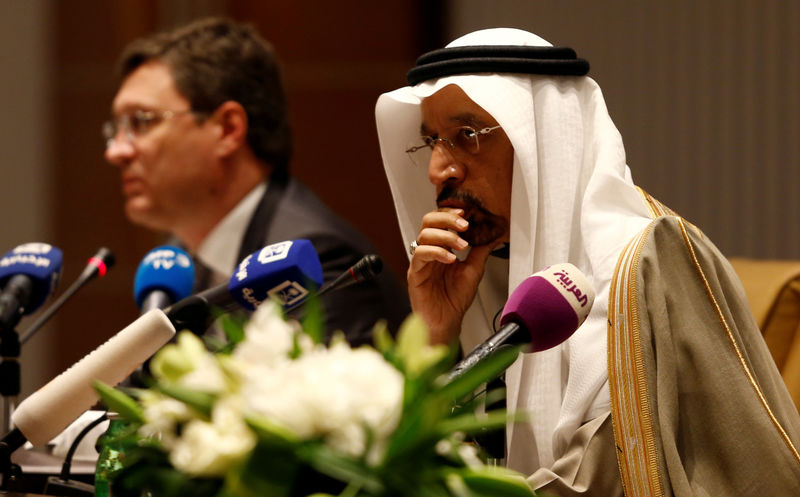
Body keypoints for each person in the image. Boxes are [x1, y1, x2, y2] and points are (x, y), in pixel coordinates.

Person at [376, 28, 800, 495]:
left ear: (543, 140)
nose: (440, 169)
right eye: (432, 141)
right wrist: (436, 336)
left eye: (467, 136)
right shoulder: (476, 271)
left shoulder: (644, 264)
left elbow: (598, 480)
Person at [104, 17, 409, 345]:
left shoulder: (314, 261)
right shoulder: (176, 265)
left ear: (228, 129)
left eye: (141, 122)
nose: (116, 151)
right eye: (116, 129)